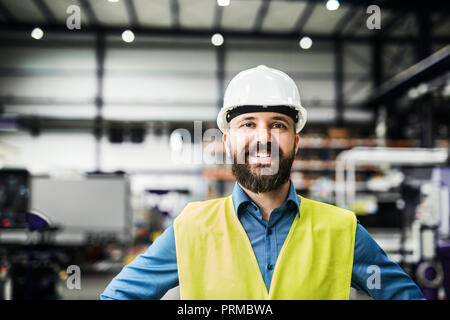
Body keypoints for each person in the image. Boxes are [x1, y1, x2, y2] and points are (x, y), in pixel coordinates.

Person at [101, 65, 425, 300]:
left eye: (278, 125)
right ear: (228, 142)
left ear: (295, 142)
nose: (263, 139)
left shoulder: (342, 230)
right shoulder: (191, 228)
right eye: (248, 123)